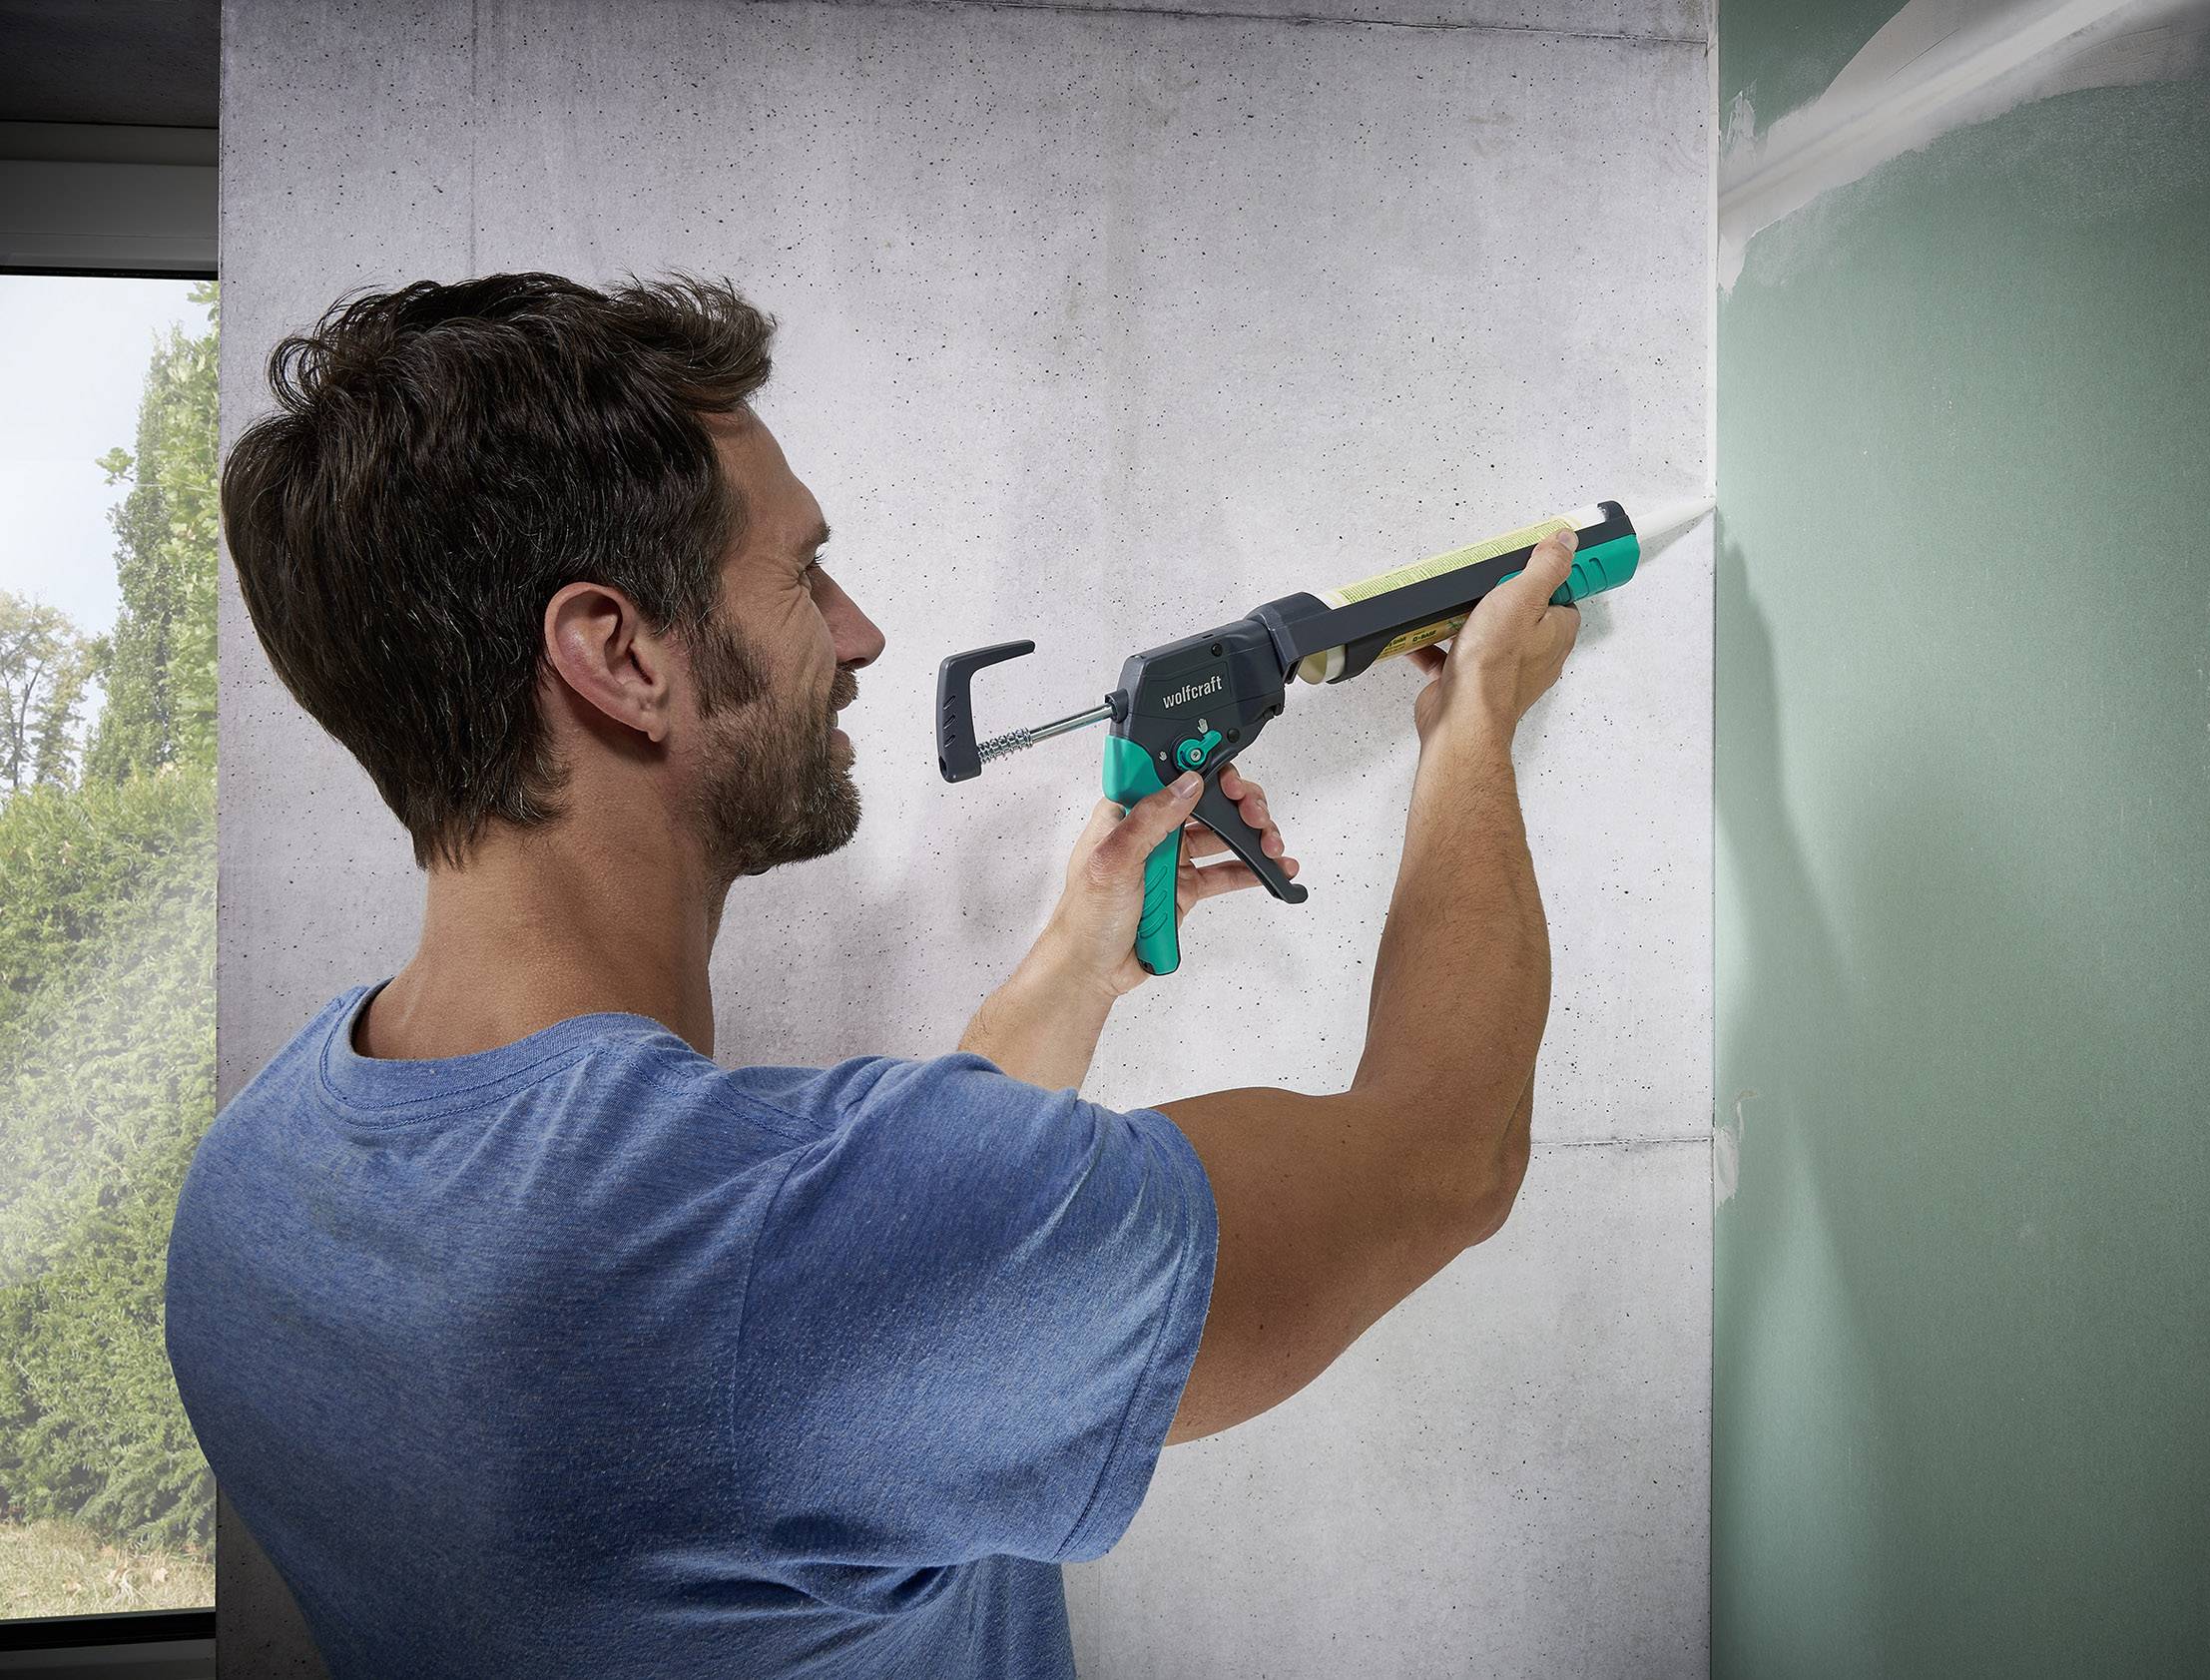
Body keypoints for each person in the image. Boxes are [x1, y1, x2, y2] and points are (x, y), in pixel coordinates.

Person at [166, 273, 1577, 1679]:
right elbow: (1445, 1157)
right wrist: (1474, 719)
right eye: (801, 574)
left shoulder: (248, 1197)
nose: (859, 634)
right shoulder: (763, 1248)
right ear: (616, 654)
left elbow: (864, 1324)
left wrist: (1079, 959)